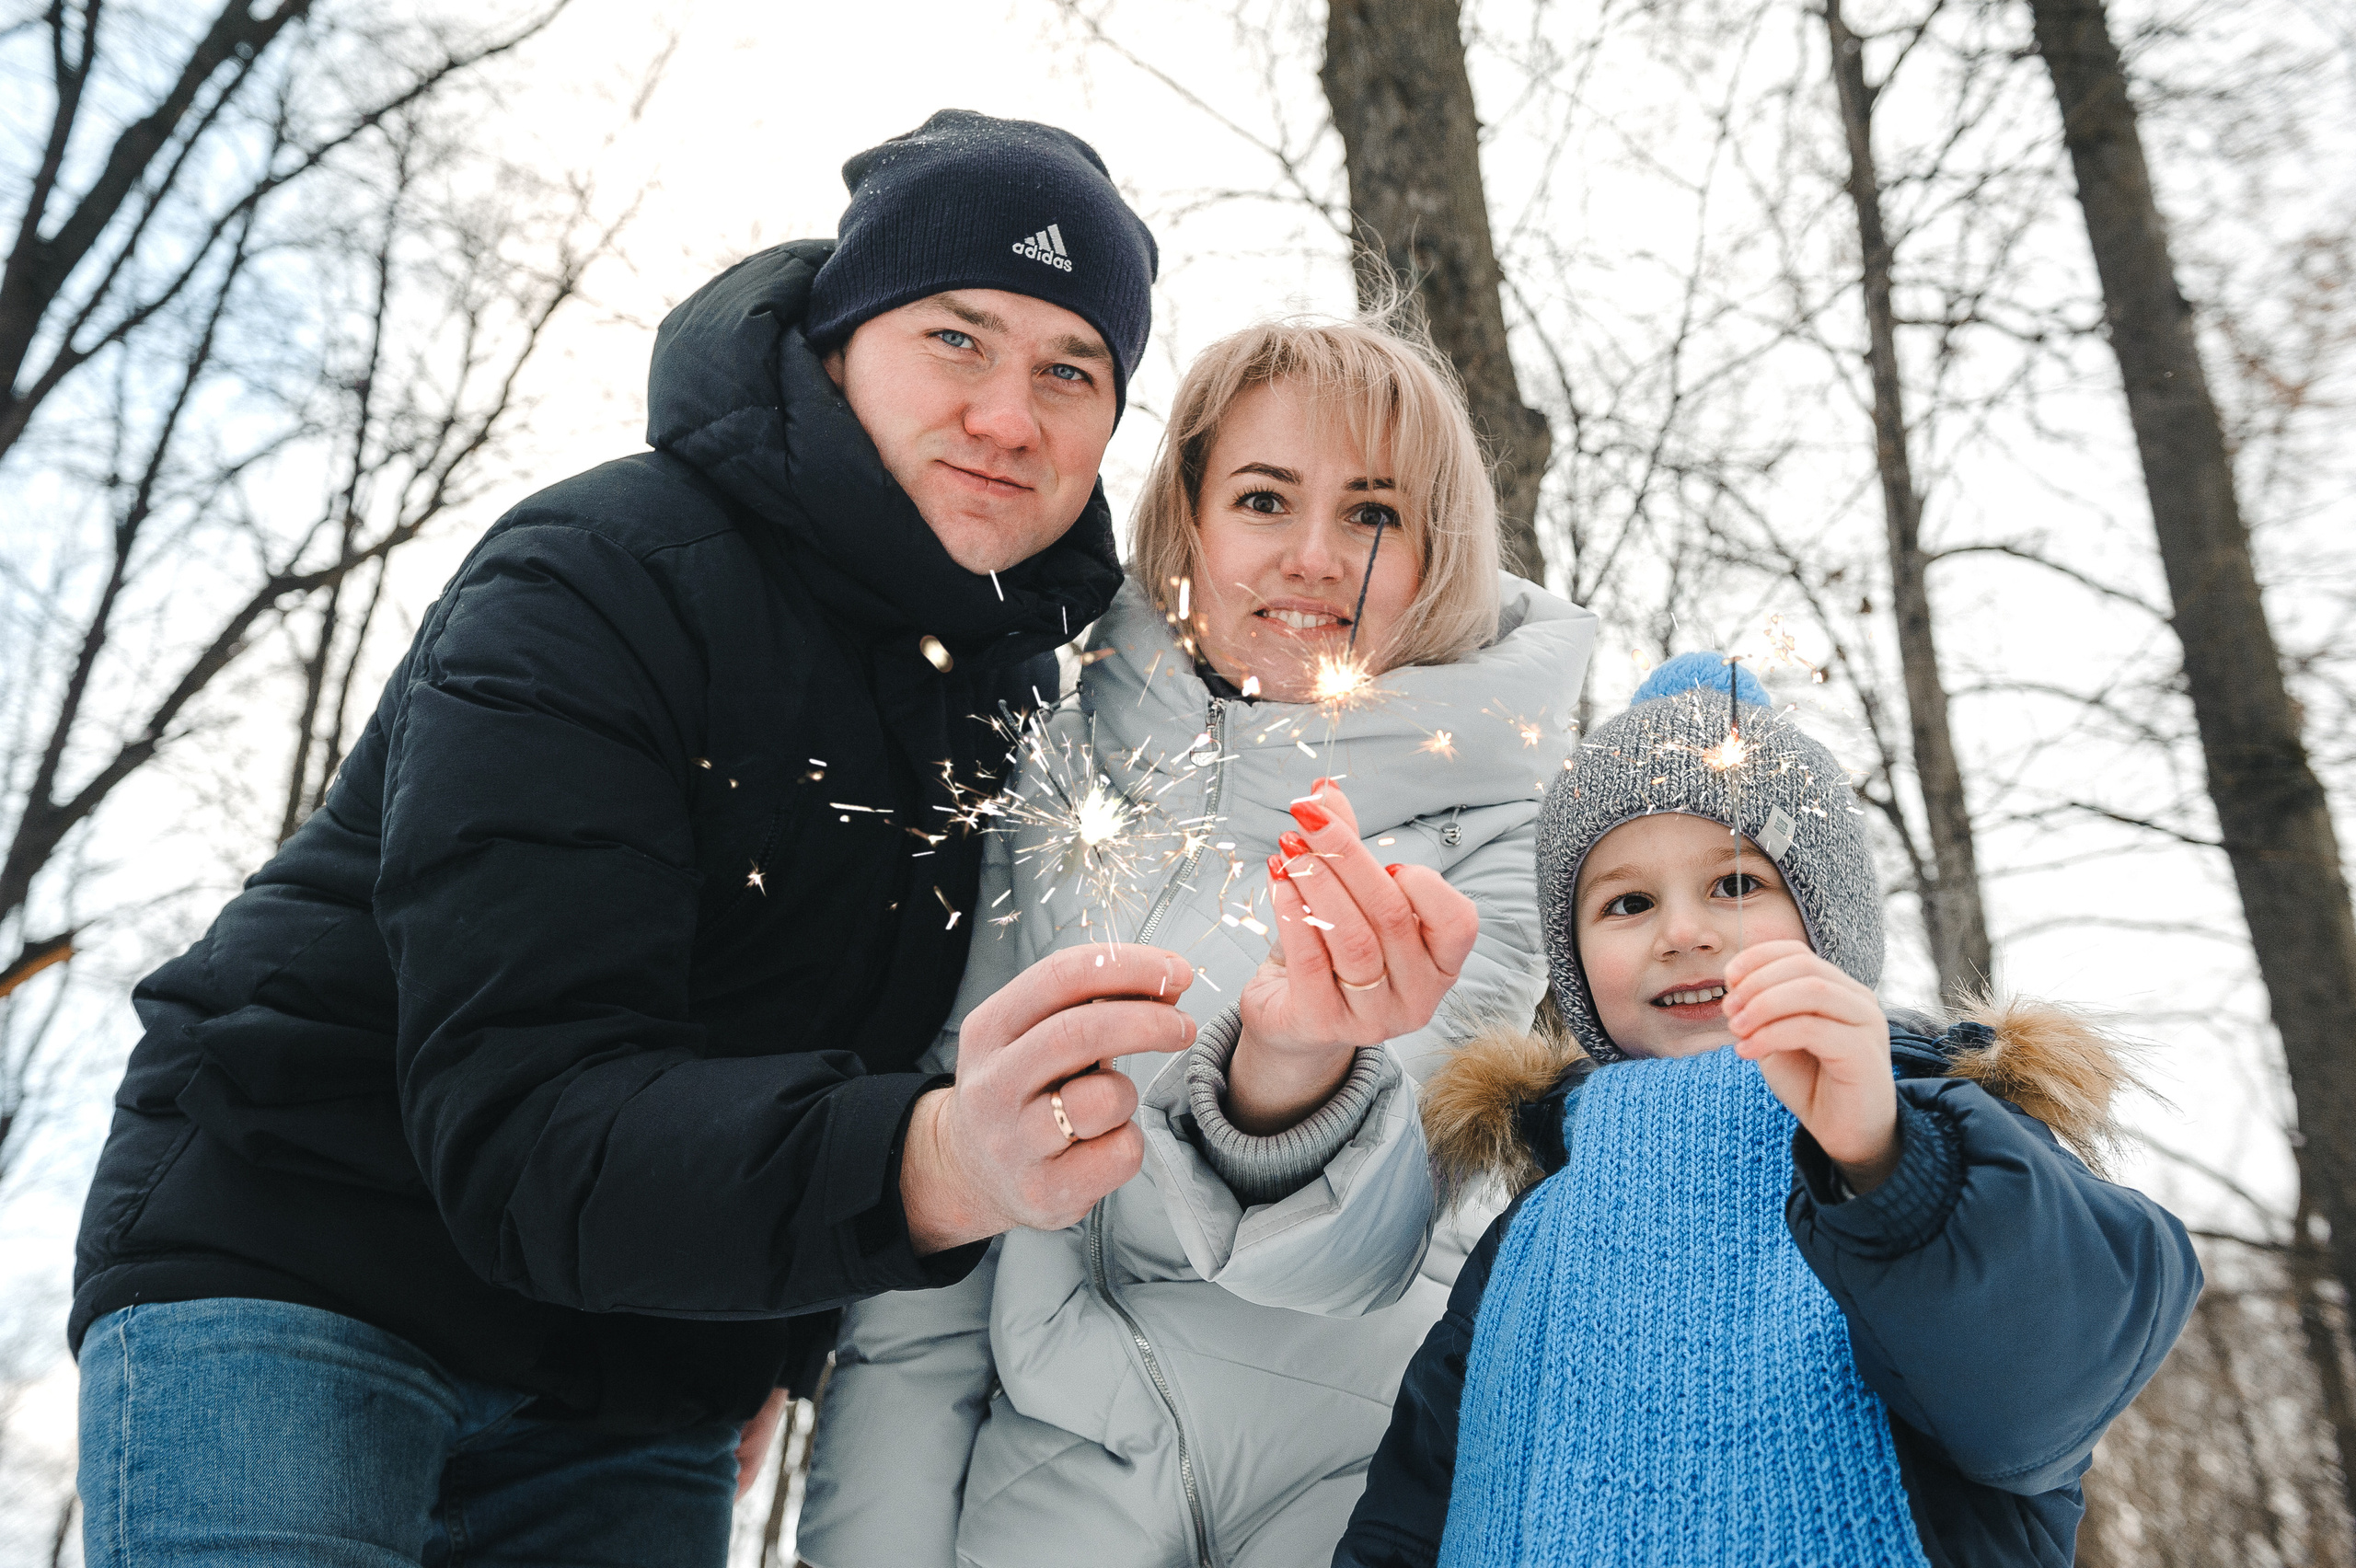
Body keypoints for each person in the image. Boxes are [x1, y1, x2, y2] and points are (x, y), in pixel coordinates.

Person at [68, 110, 1195, 1567]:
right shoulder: (603, 578)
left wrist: (773, 1341)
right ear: (838, 338)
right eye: (958, 339)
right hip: (311, 1265)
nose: (1009, 417)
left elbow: (848, 1024)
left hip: (639, 1367)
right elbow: (528, 1111)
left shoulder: (1016, 713)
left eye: (1070, 370)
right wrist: (933, 1165)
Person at [798, 316, 1601, 1568]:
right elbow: (941, 1246)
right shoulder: (1058, 779)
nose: (1316, 558)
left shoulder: (1509, 827)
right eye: (1266, 498)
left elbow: (1374, 1241)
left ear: (1440, 547)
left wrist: (1296, 1058)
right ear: (1189, 522)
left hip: (1361, 1476)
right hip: (1048, 1477)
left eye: (1375, 513)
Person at [1332, 651, 2204, 1568]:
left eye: (1737, 884)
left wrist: (1883, 1161)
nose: (1682, 932)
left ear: (1829, 925)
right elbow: (1419, 1497)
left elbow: (2043, 1390)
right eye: (1627, 902)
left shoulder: (1947, 1145)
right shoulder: (1538, 1221)